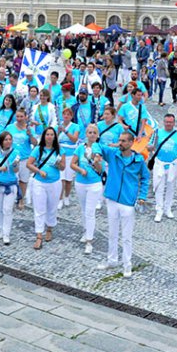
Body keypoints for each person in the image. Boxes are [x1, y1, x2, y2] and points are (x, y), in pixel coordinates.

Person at [94, 131, 150, 278]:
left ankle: (127, 265)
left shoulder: (138, 160)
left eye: (124, 141)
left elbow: (145, 178)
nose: (120, 143)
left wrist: (142, 196)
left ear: (131, 143)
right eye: (120, 140)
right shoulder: (113, 154)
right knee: (112, 233)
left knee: (126, 237)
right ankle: (112, 260)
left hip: (128, 202)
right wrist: (97, 154)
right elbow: (97, 145)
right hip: (112, 199)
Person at [27, 126, 65, 250]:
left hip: (54, 182)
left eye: (51, 135)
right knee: (39, 208)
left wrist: (58, 164)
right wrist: (39, 171)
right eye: (47, 134)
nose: (49, 137)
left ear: (55, 137)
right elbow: (29, 164)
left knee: (52, 207)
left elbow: (63, 167)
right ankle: (39, 235)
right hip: (39, 182)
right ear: (44, 136)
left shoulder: (60, 150)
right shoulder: (38, 149)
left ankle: (49, 228)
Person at [71, 123, 104, 254]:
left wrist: (96, 163)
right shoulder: (80, 148)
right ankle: (86, 232)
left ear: (97, 135)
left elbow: (100, 170)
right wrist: (80, 170)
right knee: (84, 210)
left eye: (94, 133)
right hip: (80, 182)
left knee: (90, 211)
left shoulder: (99, 149)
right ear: (86, 134)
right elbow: (72, 164)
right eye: (89, 132)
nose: (92, 135)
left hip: (94, 184)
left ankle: (89, 240)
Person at [151, 114, 177, 222]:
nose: (168, 124)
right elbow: (151, 146)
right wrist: (149, 146)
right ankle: (159, 210)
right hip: (160, 164)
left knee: (170, 187)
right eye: (167, 122)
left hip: (172, 164)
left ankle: (168, 208)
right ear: (164, 122)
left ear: (174, 123)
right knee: (159, 187)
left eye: (170, 122)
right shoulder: (157, 133)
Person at [0, 131, 21, 245]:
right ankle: (2, 230)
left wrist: (15, 165)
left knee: (7, 209)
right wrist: (0, 169)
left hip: (10, 185)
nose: (8, 141)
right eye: (6, 139)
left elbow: (16, 170)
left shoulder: (15, 152)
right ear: (1, 141)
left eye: (10, 139)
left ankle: (7, 233)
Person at [57, 107, 81, 209]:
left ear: (71, 116)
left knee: (68, 178)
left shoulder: (75, 126)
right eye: (64, 114)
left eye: (68, 114)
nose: (66, 116)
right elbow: (54, 139)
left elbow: (74, 139)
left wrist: (65, 131)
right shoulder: (58, 126)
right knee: (61, 178)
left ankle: (66, 196)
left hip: (71, 154)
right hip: (61, 154)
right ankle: (60, 199)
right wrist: (58, 132)